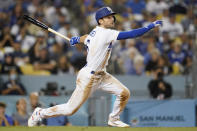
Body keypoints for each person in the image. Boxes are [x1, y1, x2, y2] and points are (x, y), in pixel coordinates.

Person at [28, 7, 162, 127]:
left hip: (101, 75)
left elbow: (86, 37)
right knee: (70, 109)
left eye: (112, 16)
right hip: (89, 77)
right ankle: (40, 113)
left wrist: (77, 39)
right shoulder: (106, 33)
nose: (112, 18)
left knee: (124, 93)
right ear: (100, 21)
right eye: (108, 17)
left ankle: (113, 119)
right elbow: (132, 34)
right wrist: (149, 26)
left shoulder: (96, 31)